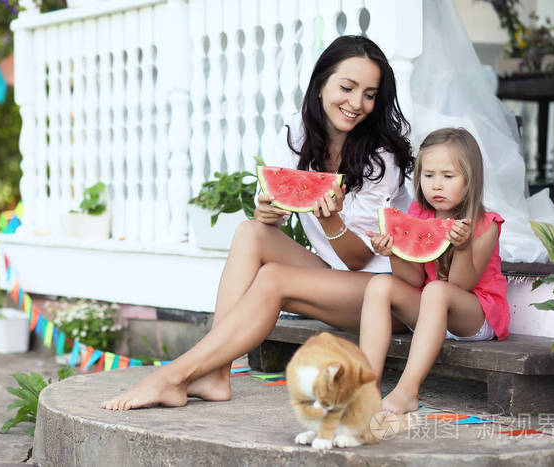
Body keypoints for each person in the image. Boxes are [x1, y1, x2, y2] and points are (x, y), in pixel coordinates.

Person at [102, 35, 414, 411]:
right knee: (251, 232)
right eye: (346, 87)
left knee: (274, 279)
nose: (356, 103)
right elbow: (275, 209)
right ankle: (215, 376)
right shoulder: (296, 137)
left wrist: (332, 222)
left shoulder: (381, 158)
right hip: (334, 277)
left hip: (383, 295)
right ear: (319, 86)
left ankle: (171, 376)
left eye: (369, 94)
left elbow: (359, 260)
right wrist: (268, 213)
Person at [359, 127, 510, 415]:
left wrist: (462, 247)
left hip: (475, 317)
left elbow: (462, 284)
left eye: (448, 176)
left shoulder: (486, 223)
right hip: (430, 311)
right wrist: (393, 253)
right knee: (380, 285)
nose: (436, 185)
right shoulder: (419, 214)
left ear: (470, 179)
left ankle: (407, 391)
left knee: (438, 290)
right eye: (429, 176)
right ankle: (367, 386)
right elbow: (413, 278)